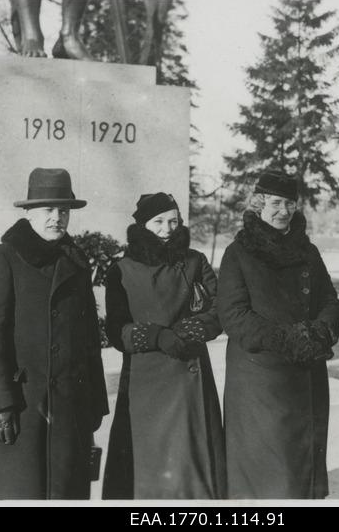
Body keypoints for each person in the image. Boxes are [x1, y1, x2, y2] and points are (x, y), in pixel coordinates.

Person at [0, 167, 109, 500]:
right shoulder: (0, 260)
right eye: (48, 210)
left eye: (64, 210)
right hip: (20, 411)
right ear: (28, 213)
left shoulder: (76, 263)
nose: (57, 217)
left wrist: (95, 403)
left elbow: (88, 342)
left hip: (69, 413)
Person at [217, 170, 339, 499]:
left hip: (307, 378)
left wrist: (320, 331)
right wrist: (289, 341)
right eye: (275, 202)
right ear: (258, 204)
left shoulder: (308, 251)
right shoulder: (238, 253)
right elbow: (234, 315)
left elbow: (329, 300)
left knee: (300, 480)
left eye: (290, 203)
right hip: (260, 383)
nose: (283, 210)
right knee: (266, 481)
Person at [102, 192, 226, 499]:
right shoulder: (122, 269)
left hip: (189, 373)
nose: (167, 228)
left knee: (192, 466)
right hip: (147, 379)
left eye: (173, 221)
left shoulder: (194, 261)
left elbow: (221, 308)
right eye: (159, 221)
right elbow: (116, 329)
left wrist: (194, 328)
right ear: (144, 224)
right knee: (148, 463)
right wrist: (155, 336)